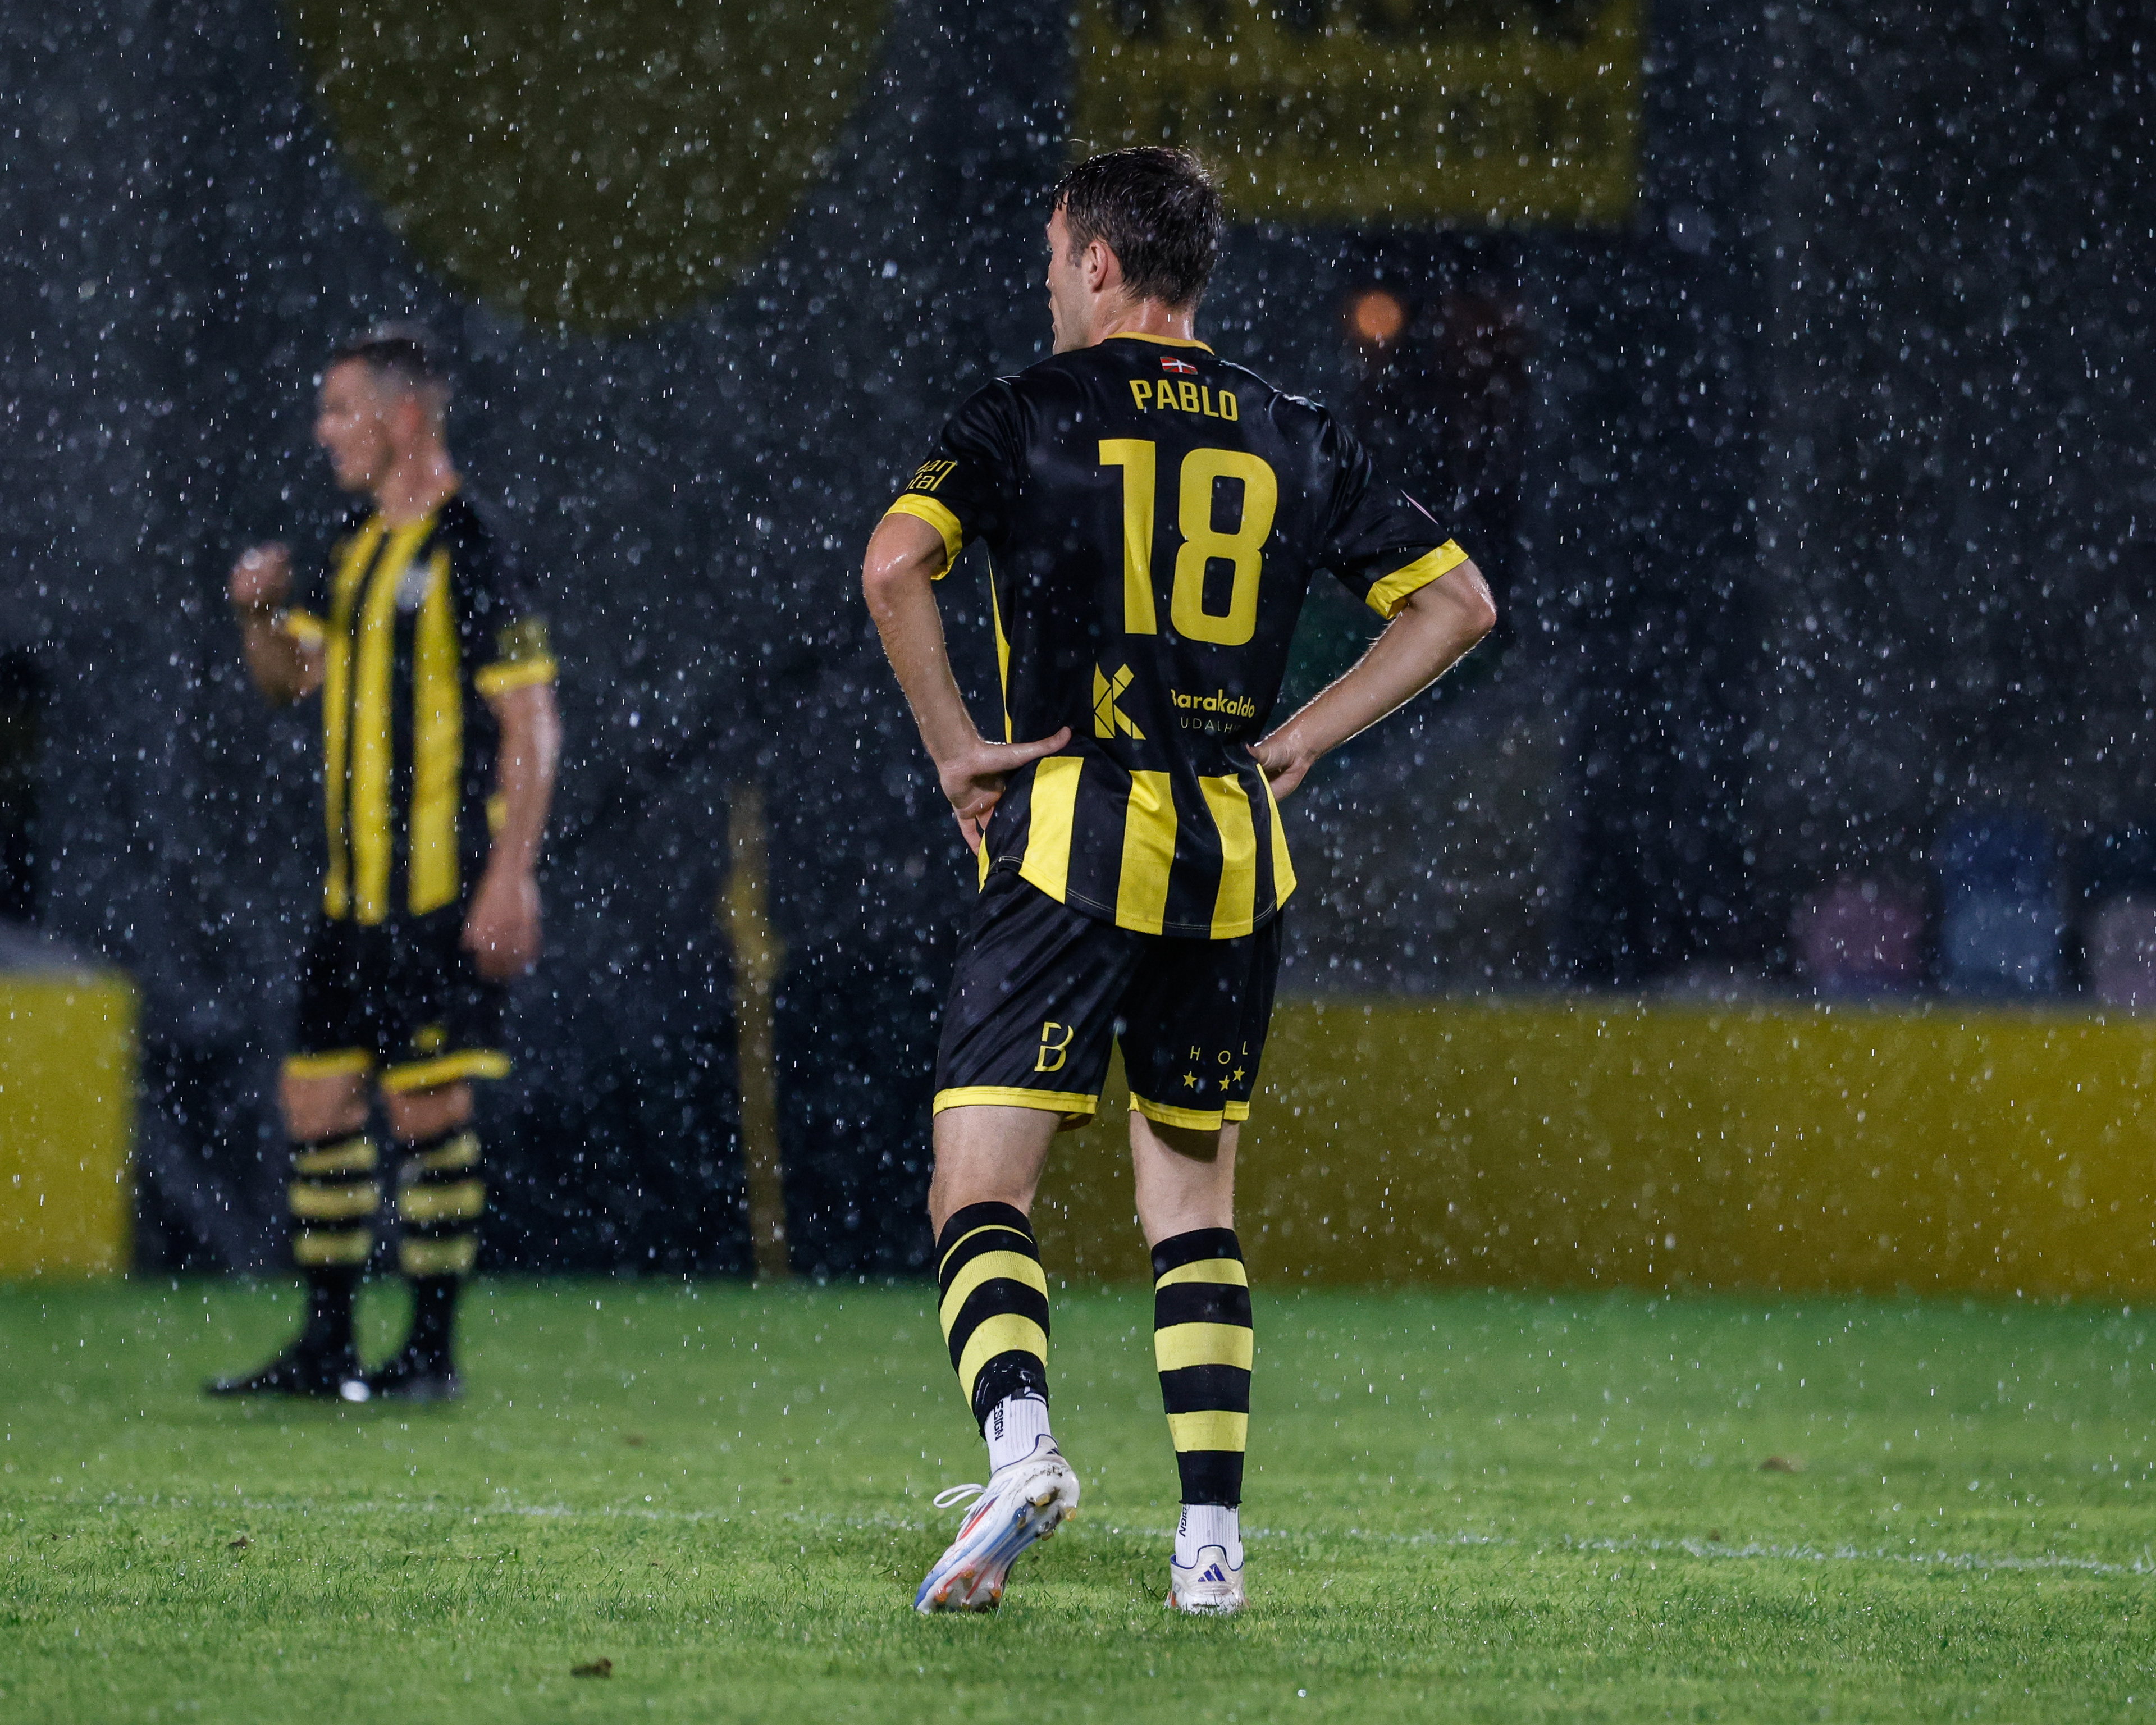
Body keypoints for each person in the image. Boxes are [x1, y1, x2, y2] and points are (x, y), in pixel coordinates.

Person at [861, 148, 1496, 1615]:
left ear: (1096, 263)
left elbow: (896, 566)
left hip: (1075, 827)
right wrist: (1308, 733)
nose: (1048, 283)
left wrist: (958, 752)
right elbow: (1460, 604)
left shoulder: (1029, 409)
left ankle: (1022, 1453)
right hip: (1231, 850)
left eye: (1053, 258)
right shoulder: (1294, 429)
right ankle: (1210, 1548)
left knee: (978, 1186)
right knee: (1192, 1206)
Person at [210, 325, 560, 1403]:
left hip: (439, 889)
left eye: (340, 410)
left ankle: (428, 1354)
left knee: (426, 1111)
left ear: (404, 416)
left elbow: (531, 722)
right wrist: (258, 615)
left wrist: (512, 872)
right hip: (351, 894)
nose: (325, 432)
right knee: (316, 1102)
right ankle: (325, 1347)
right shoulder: (353, 544)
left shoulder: (472, 548)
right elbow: (292, 680)